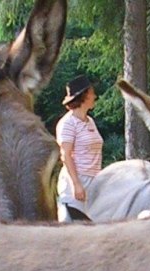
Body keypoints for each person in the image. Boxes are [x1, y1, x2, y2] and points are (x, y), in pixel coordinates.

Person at [56, 74, 103, 222]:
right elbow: (66, 155)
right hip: (76, 182)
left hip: (94, 181)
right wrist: (76, 184)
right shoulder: (68, 123)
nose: (95, 96)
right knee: (74, 227)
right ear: (84, 96)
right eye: (92, 93)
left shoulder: (90, 122)